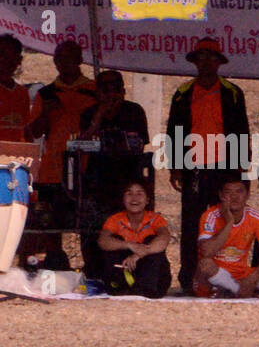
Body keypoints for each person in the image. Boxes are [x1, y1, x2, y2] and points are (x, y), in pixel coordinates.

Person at [166, 37, 250, 294]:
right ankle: (189, 278)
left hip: (224, 168)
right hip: (193, 167)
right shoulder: (182, 93)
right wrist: (175, 166)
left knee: (225, 221)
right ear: (195, 62)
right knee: (192, 223)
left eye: (210, 58)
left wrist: (241, 172)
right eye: (200, 58)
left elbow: (241, 132)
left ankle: (223, 277)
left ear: (218, 62)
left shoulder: (232, 92)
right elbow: (174, 132)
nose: (205, 63)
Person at [23, 39, 98, 267]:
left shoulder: (95, 90)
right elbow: (31, 133)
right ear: (54, 61)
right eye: (60, 58)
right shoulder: (46, 94)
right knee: (51, 225)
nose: (65, 63)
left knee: (88, 225)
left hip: (88, 169)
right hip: (53, 171)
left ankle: (93, 271)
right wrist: (46, 114)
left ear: (80, 60)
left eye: (70, 57)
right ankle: (55, 267)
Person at [78, 70, 149, 277]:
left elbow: (139, 144)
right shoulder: (89, 113)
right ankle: (94, 272)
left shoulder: (134, 111)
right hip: (97, 180)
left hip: (128, 180)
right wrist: (99, 116)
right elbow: (81, 144)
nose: (111, 94)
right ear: (97, 93)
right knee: (93, 230)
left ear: (123, 91)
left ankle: (125, 272)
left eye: (115, 89)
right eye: (105, 89)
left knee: (127, 229)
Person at [195, 175, 259, 298]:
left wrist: (252, 279)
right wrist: (229, 222)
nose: (234, 197)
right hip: (214, 276)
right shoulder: (210, 215)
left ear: (247, 195)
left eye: (239, 191)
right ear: (221, 195)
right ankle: (239, 290)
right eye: (228, 192)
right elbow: (206, 252)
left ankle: (241, 289)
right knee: (205, 265)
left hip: (242, 275)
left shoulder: (256, 217)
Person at [97, 177, 171, 298]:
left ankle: (144, 288)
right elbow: (103, 241)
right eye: (129, 193)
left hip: (152, 281)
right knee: (115, 240)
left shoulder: (156, 219)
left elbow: (164, 239)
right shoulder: (115, 219)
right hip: (125, 272)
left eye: (139, 193)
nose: (134, 198)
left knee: (151, 240)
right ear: (123, 199)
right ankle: (119, 287)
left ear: (147, 200)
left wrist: (139, 254)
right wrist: (129, 245)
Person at [0, 34, 29, 143]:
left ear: (19, 60)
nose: (5, 60)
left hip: (16, 157)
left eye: (11, 56)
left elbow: (26, 129)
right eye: (1, 54)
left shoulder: (22, 93)